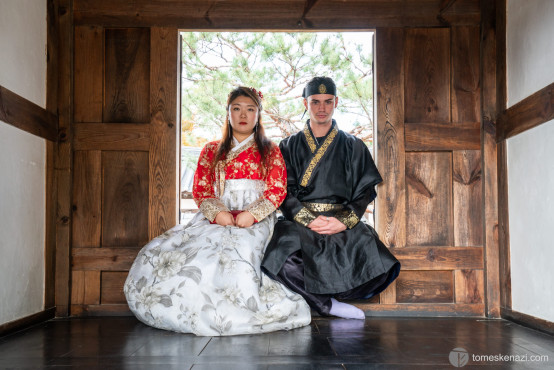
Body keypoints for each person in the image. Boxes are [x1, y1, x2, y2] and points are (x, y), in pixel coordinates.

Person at [124, 86, 311, 336]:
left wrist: (251, 215)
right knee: (184, 252)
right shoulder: (211, 150)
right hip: (216, 217)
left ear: (258, 115)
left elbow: (276, 190)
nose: (243, 115)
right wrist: (219, 215)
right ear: (228, 113)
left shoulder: (270, 151)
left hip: (255, 219)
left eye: (250, 109)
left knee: (240, 253)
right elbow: (201, 189)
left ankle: (236, 311)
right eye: (237, 108)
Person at [261, 77, 400, 320]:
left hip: (340, 217)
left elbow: (365, 191)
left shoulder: (354, 145)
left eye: (327, 102)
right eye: (315, 102)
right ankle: (326, 305)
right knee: (279, 253)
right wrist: (309, 220)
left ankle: (333, 295)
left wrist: (344, 221)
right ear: (305, 103)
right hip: (300, 221)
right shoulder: (288, 145)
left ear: (336, 102)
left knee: (372, 250)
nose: (322, 108)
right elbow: (282, 190)